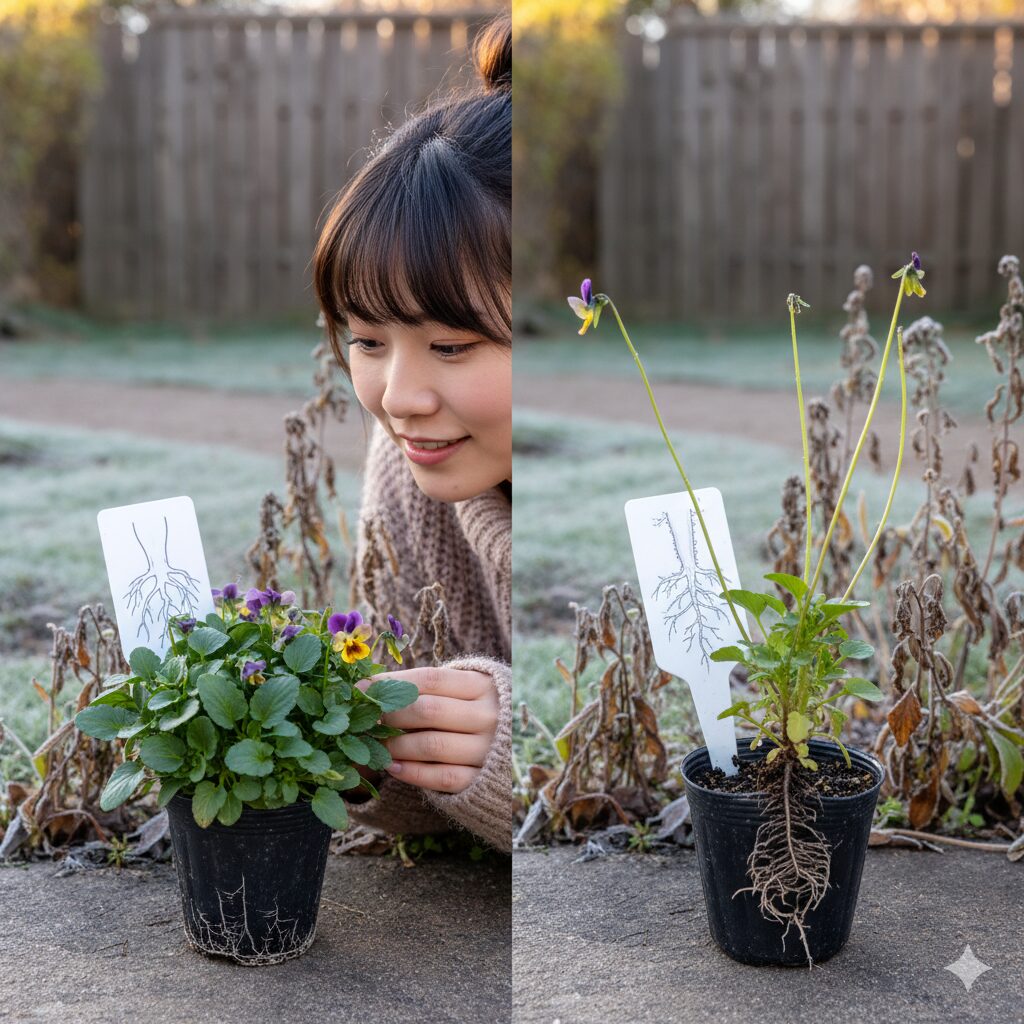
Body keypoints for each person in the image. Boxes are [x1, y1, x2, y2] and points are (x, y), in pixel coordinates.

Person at [311, 15, 511, 854]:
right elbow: (406, 809)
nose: (397, 399)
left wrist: (509, 746)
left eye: (452, 346)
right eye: (365, 340)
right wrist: (357, 749)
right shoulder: (412, 467)